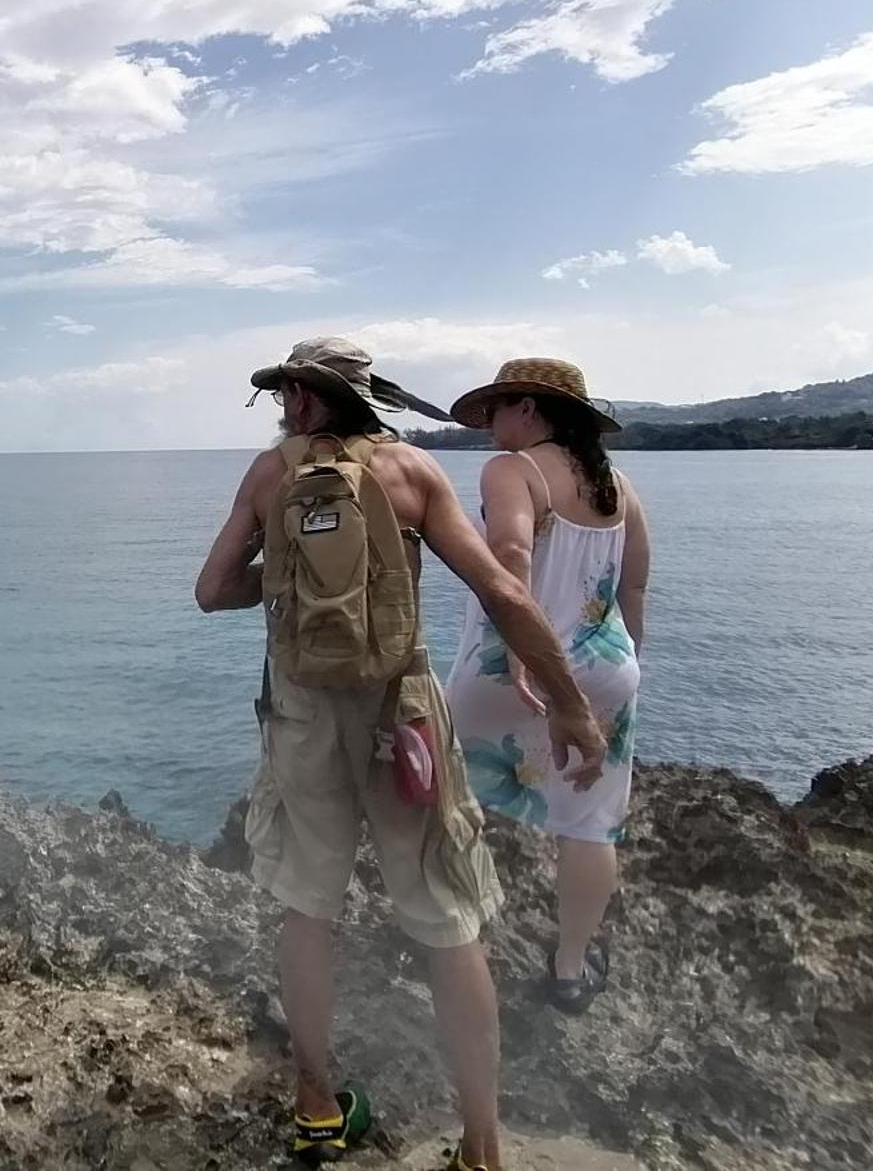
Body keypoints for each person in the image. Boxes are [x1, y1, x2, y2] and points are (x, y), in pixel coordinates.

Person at [195, 337, 607, 1171]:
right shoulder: (412, 472)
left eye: (286, 396)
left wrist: (294, 587)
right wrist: (570, 706)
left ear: (307, 400)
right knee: (450, 921)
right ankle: (481, 1149)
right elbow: (502, 590)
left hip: (303, 716)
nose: (282, 409)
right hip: (404, 717)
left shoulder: (270, 476)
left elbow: (211, 591)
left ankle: (317, 1108)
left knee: (308, 910)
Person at [443, 360, 650, 1014]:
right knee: (591, 824)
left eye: (497, 409)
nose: (490, 426)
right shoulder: (618, 487)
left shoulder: (512, 472)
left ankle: (452, 943)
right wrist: (617, 674)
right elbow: (633, 588)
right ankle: (568, 970)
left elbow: (510, 555)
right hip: (602, 671)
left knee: (444, 795)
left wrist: (521, 653)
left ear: (528, 409)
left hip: (511, 665)